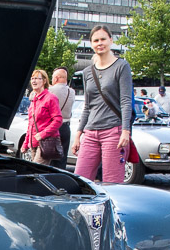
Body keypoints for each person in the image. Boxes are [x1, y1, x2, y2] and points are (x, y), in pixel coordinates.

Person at [72, 25, 133, 183]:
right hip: (90, 133)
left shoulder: (121, 66)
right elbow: (87, 106)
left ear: (111, 41)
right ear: (91, 44)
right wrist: (78, 134)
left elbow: (126, 101)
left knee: (111, 183)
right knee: (80, 181)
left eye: (103, 39)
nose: (100, 43)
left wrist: (125, 131)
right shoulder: (87, 72)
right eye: (96, 40)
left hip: (113, 132)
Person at [20, 69, 62, 164]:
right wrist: (25, 144)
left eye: (37, 78)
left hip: (45, 142)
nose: (34, 81)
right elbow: (31, 124)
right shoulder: (34, 99)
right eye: (32, 78)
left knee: (36, 171)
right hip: (34, 143)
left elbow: (58, 120)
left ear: (44, 81)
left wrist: (43, 134)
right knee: (36, 172)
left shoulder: (51, 98)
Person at [49, 67, 74, 168]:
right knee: (61, 160)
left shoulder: (50, 90)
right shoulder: (72, 92)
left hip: (52, 127)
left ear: (56, 78)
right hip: (65, 127)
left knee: (48, 159)